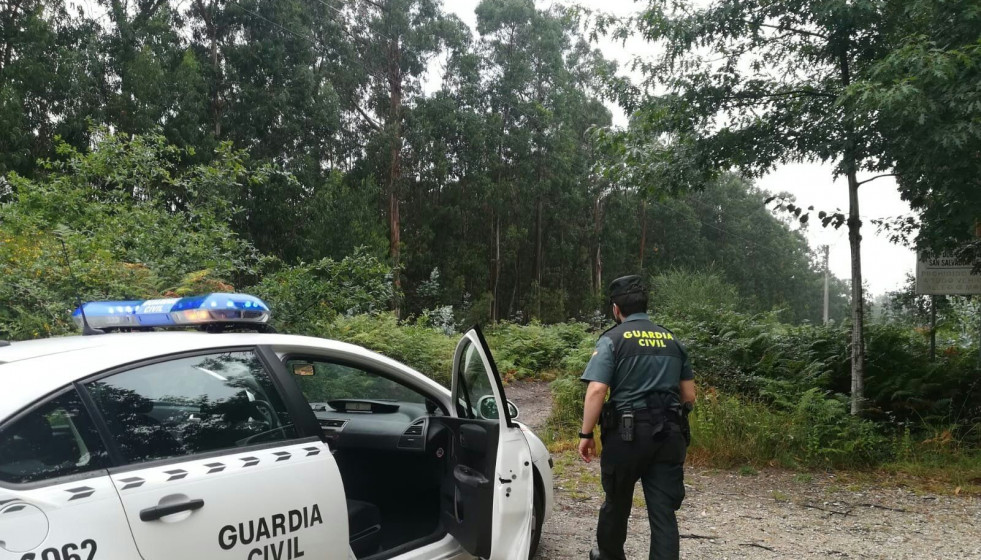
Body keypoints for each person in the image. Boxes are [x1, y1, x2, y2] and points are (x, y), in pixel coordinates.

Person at [578, 275, 696, 560]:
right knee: (663, 513)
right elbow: (689, 396)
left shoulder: (613, 339)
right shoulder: (672, 340)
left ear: (616, 309)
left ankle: (608, 556)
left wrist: (586, 434)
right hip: (668, 436)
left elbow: (596, 390)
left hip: (626, 437)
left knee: (616, 506)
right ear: (646, 305)